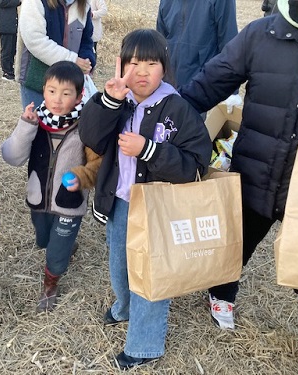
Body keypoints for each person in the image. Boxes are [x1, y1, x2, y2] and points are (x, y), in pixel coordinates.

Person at [178, 0, 298, 372]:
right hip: (256, 168)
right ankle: (221, 293)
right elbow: (209, 82)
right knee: (237, 239)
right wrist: (164, 111)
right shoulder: (261, 34)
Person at [79, 29, 212, 370]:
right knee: (120, 266)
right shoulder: (116, 101)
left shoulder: (178, 109)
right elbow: (90, 137)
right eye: (133, 62)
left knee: (150, 273)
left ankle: (144, 345)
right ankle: (124, 306)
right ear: (119, 65)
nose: (141, 71)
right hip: (119, 202)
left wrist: (149, 150)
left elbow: (196, 162)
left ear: (164, 69)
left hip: (157, 208)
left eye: (151, 63)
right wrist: (107, 101)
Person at [2, 61, 101, 313]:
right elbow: (12, 157)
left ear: (79, 96)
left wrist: (82, 177)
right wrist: (26, 126)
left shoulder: (86, 127)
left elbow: (97, 164)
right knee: (44, 238)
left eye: (66, 93)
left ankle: (50, 283)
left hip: (70, 201)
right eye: (52, 91)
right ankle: (64, 247)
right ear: (43, 90)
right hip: (39, 197)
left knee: (56, 249)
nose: (57, 99)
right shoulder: (35, 122)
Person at [15, 0, 96, 108]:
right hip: (37, 80)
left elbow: (86, 40)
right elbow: (35, 40)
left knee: (69, 123)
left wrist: (87, 60)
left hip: (69, 83)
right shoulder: (35, 2)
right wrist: (72, 60)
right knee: (36, 122)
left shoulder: (83, 5)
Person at [155, 0, 238, 88]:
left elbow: (229, 42)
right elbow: (160, 44)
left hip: (204, 84)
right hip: (170, 84)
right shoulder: (166, 2)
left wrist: (231, 90)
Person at [0, 0, 20, 81]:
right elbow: (2, 2)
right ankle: (6, 72)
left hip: (10, 24)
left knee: (12, 49)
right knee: (7, 50)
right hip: (3, 24)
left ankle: (10, 69)